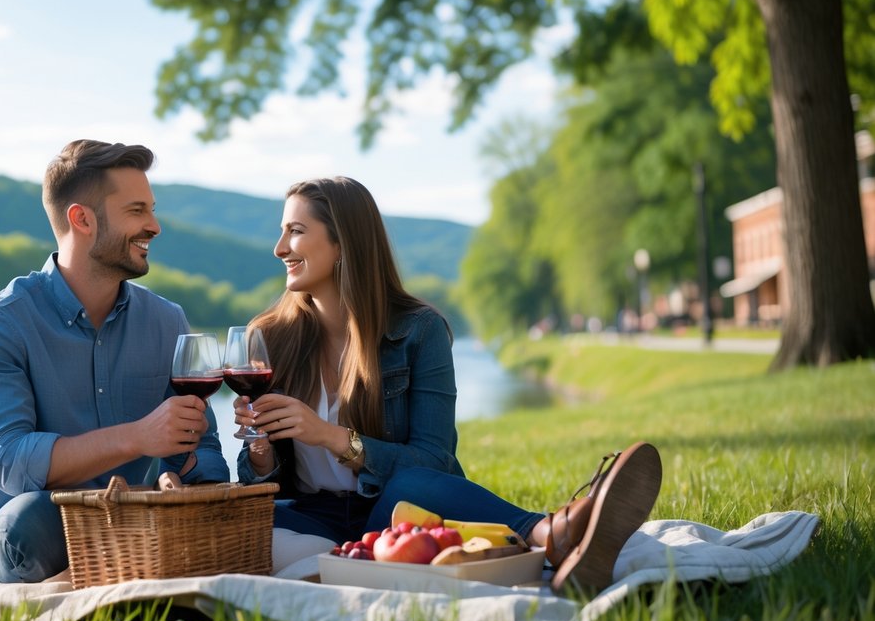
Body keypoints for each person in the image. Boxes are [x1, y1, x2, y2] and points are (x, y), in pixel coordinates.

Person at [234, 176, 661, 593]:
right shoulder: (271, 337)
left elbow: (434, 460)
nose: (280, 248)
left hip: (393, 509)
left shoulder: (419, 331)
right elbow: (264, 485)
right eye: (282, 232)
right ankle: (556, 536)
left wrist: (330, 436)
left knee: (413, 482)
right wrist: (260, 450)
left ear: (342, 243)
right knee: (241, 517)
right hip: (310, 516)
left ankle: (554, 534)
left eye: (296, 231)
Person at [0, 139, 229, 583]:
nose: (155, 226)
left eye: (153, 209)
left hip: (136, 519)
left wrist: (190, 483)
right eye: (137, 210)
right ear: (82, 219)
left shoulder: (166, 320)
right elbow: (10, 461)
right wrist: (139, 437)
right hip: (28, 529)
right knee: (36, 521)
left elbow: (200, 445)